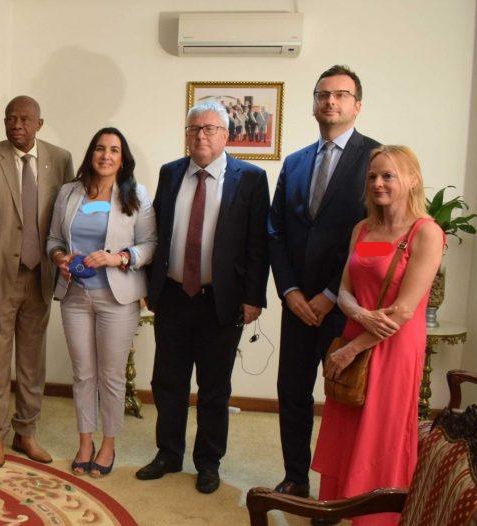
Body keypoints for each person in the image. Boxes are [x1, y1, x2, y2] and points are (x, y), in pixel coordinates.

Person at [136, 101, 270, 494]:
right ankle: (168, 453)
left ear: (226, 135)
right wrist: (149, 286)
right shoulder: (171, 172)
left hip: (221, 300)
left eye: (210, 129)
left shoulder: (251, 178)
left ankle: (208, 462)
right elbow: (156, 233)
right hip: (173, 295)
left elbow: (258, 244)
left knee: (214, 387)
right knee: (167, 382)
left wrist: (253, 297)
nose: (201, 136)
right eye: (194, 128)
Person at [312, 145, 443, 526]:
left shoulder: (426, 233)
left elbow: (404, 311)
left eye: (388, 176)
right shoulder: (363, 229)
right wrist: (356, 313)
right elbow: (345, 288)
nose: (378, 183)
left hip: (394, 346)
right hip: (356, 330)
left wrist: (351, 349)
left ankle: (374, 516)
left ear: (412, 180)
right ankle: (337, 504)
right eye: (372, 177)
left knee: (381, 431)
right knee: (346, 421)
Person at [268, 64, 381, 499]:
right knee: (292, 393)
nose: (330, 101)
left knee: (344, 398)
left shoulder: (376, 160)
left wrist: (332, 294)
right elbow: (276, 231)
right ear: (314, 103)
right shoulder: (295, 163)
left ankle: (339, 487)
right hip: (298, 305)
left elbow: (374, 235)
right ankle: (295, 477)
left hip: (347, 305)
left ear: (357, 105)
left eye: (340, 95)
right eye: (322, 94)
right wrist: (290, 291)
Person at [0, 95, 75, 468]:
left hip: (41, 274)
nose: (17, 125)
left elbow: (68, 218)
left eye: (25, 119)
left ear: (39, 124)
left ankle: (26, 432)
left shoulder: (60, 159)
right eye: (10, 118)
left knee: (32, 360)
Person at [46, 128, 156, 478]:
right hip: (75, 296)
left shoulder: (136, 195)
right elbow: (53, 239)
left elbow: (150, 245)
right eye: (100, 148)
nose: (106, 155)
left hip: (118, 300)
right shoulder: (69, 193)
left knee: (110, 376)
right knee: (82, 374)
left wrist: (119, 258)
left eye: (114, 150)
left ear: (123, 159)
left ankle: (108, 445)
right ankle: (85, 443)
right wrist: (60, 258)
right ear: (91, 153)